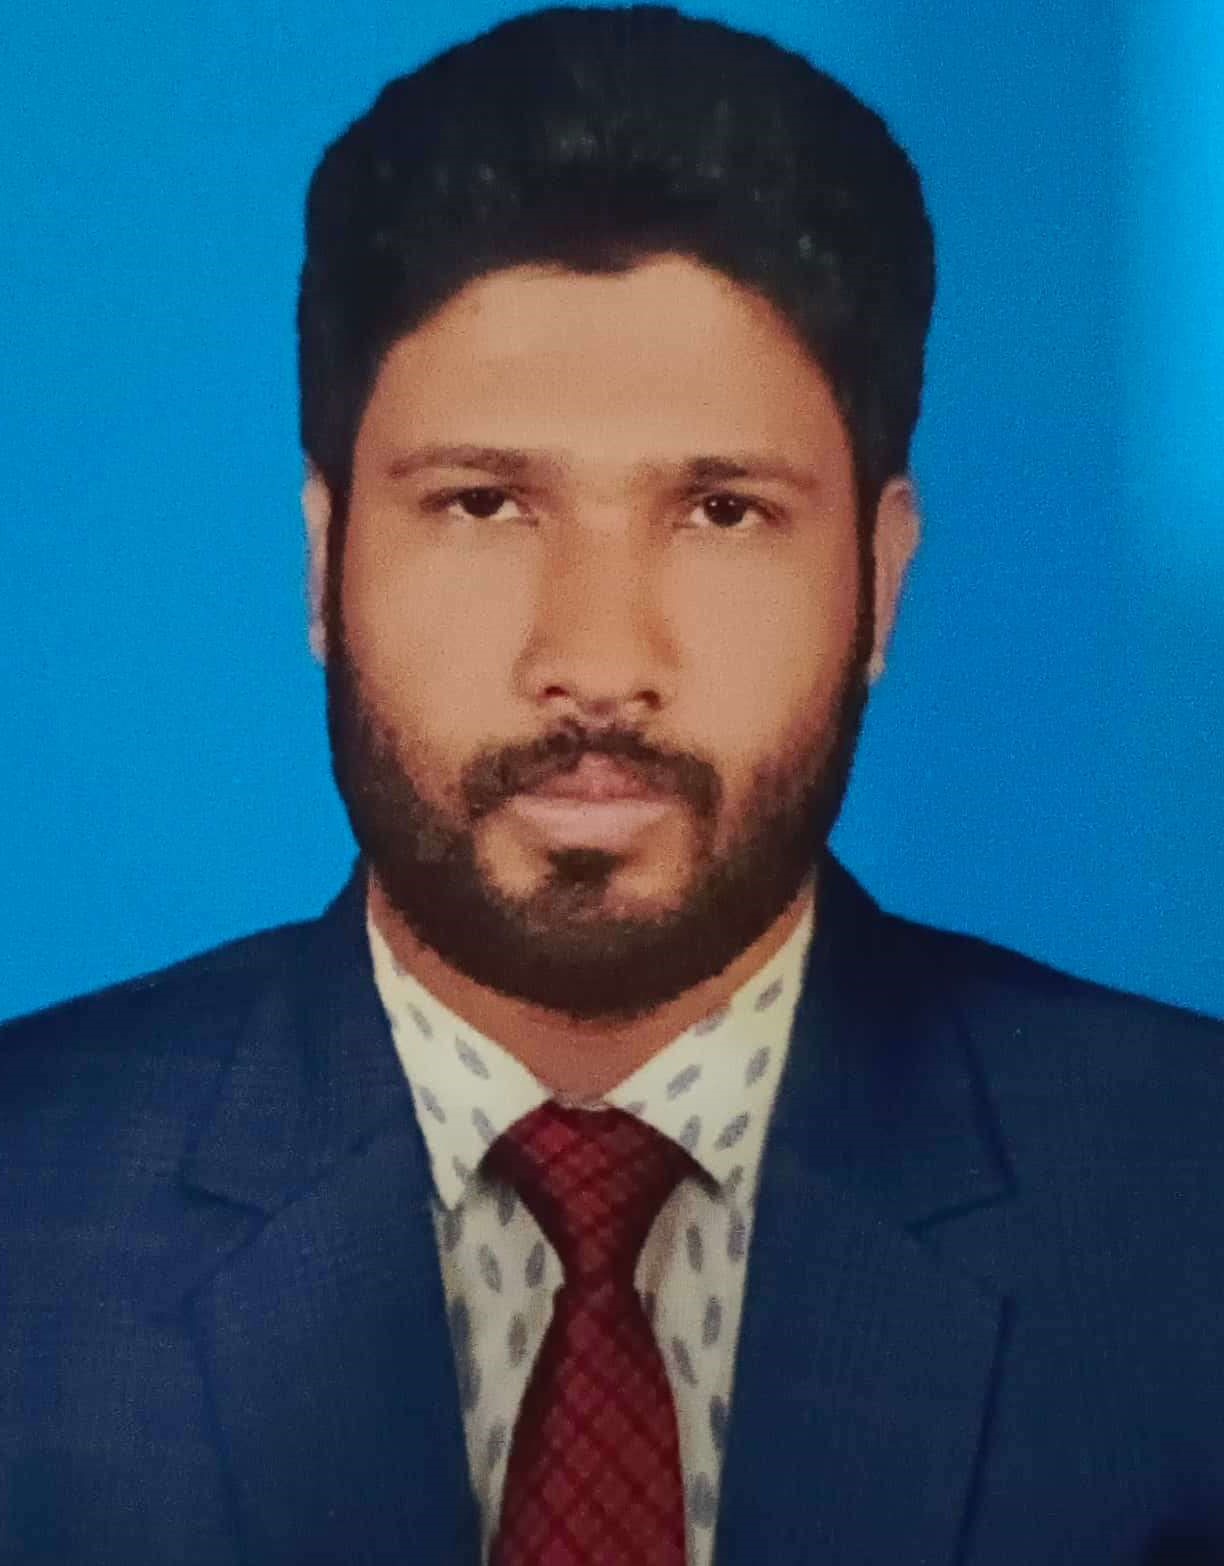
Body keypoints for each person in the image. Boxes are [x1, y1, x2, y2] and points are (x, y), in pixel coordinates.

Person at [2, 5, 1222, 1563]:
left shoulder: (1186, 1211)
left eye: (721, 511)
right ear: (323, 561)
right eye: (483, 502)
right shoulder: (28, 1219)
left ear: (883, 579)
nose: (594, 661)